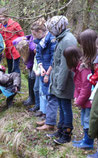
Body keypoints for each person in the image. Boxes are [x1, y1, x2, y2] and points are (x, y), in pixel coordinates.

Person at [39, 16, 77, 145]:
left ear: (58, 27)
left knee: (66, 107)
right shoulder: (62, 38)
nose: (50, 31)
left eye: (52, 28)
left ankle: (66, 133)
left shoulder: (67, 40)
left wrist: (59, 85)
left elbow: (64, 66)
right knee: (61, 106)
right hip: (58, 80)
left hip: (65, 81)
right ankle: (60, 129)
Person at [63, 46, 94, 149]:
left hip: (88, 101)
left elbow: (86, 87)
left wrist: (79, 100)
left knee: (87, 121)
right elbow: (77, 86)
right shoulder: (77, 69)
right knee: (83, 120)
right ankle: (85, 139)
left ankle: (89, 142)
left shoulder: (83, 69)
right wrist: (76, 97)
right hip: (83, 100)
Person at [29, 18, 56, 122]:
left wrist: (48, 72)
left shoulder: (51, 39)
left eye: (34, 34)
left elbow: (53, 58)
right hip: (43, 68)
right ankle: (42, 110)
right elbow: (38, 55)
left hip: (49, 70)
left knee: (47, 93)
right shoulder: (39, 41)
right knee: (41, 91)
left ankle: (47, 114)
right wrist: (40, 67)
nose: (33, 37)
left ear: (40, 32)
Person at [0, 8, 24, 73]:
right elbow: (1, 40)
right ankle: (10, 82)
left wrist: (20, 46)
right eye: (0, 17)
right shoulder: (0, 27)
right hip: (7, 50)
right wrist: (2, 50)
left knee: (15, 68)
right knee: (9, 68)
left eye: (3, 17)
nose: (2, 19)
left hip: (15, 49)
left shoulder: (14, 24)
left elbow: (22, 35)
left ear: (6, 16)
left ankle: (17, 82)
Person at [12, 35, 36, 108]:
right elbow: (13, 41)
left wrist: (28, 66)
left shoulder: (31, 49)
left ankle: (33, 99)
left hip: (35, 65)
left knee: (32, 78)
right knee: (30, 78)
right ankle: (30, 97)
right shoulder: (23, 43)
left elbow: (30, 62)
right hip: (31, 64)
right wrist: (23, 38)